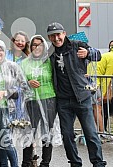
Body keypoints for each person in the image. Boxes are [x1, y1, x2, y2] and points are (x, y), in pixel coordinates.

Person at [47, 22, 106, 167]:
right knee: (67, 136)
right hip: (63, 100)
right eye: (53, 36)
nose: (56, 38)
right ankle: (75, 163)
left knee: (90, 134)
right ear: (49, 37)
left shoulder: (77, 44)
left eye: (58, 34)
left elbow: (98, 55)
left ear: (64, 33)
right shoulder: (49, 53)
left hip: (82, 97)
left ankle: (98, 163)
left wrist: (88, 53)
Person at [20, 35, 57, 167]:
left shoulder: (49, 61)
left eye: (40, 45)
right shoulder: (24, 63)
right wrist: (28, 82)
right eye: (34, 45)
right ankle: (26, 162)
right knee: (29, 132)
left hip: (49, 99)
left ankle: (45, 162)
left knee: (47, 132)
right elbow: (19, 82)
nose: (37, 47)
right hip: (31, 101)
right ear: (30, 47)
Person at [97, 40, 113, 133]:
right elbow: (106, 78)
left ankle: (103, 131)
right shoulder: (111, 57)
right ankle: (102, 131)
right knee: (99, 108)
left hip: (98, 81)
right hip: (96, 82)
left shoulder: (108, 55)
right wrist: (102, 94)